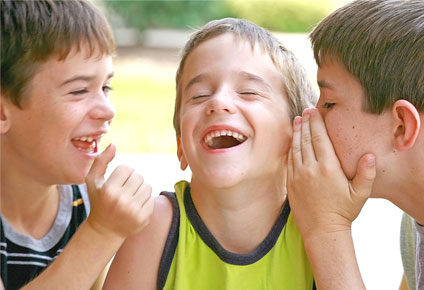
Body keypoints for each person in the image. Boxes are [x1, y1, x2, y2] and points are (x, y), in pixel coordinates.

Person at [103, 18, 317, 290]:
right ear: (181, 146)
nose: (218, 102)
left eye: (248, 92)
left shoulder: (316, 227)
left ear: (297, 136)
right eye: (199, 95)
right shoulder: (155, 227)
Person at [287, 0, 424, 289]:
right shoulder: (420, 220)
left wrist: (326, 229)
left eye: (329, 103)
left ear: (402, 127)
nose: (311, 115)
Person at [0, 1, 155, 289]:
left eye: (106, 87)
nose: (107, 110)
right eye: (80, 90)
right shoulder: (98, 224)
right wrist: (102, 232)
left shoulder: (83, 203)